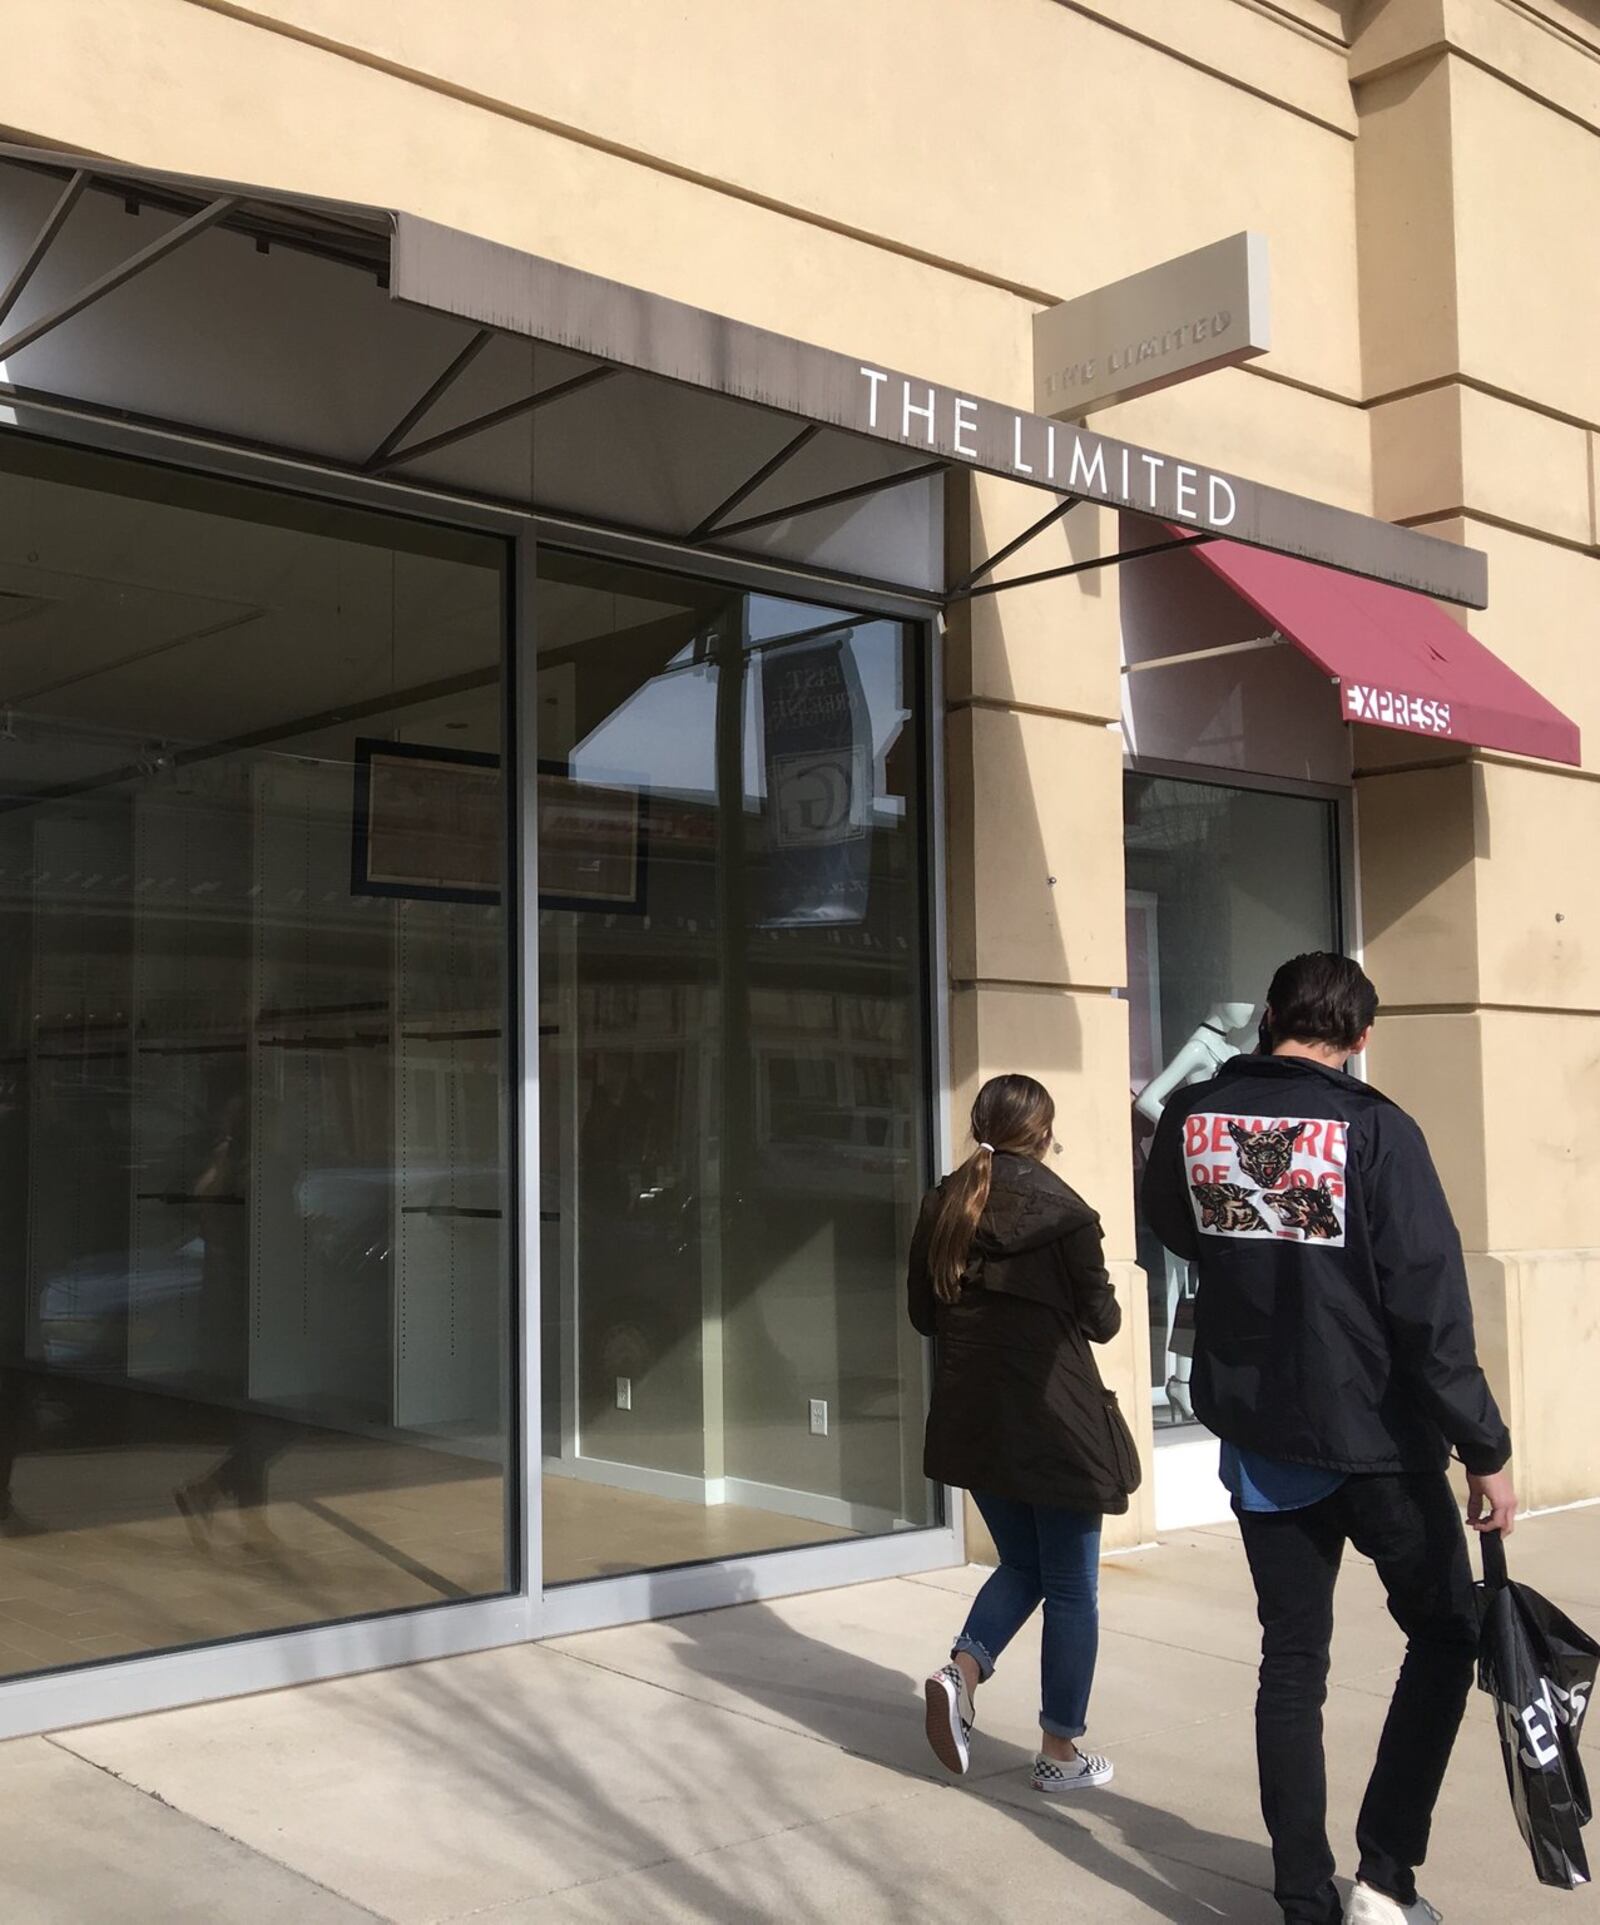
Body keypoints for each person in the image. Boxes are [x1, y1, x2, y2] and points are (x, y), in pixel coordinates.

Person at [1141, 953, 1516, 1925]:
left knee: (1291, 1661)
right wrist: (1484, 1444)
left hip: (1263, 1434)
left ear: (1267, 1017)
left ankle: (1304, 1900)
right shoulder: (1375, 1126)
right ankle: (1384, 1881)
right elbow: (1429, 1307)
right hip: (1380, 1441)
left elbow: (1173, 1228)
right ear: (1359, 1038)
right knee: (1445, 1630)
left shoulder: (1194, 1115)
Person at [907, 1072, 1139, 1794]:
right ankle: (1058, 1752)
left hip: (976, 1419)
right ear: (1043, 1132)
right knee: (1072, 1587)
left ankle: (961, 1671)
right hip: (1056, 1422)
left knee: (1026, 1565)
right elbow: (1102, 1320)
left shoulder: (945, 1201)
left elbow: (924, 1314)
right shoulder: (1066, 1213)